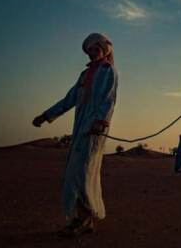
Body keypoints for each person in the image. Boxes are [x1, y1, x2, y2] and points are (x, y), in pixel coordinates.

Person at [32, 33, 118, 238]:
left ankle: (83, 220)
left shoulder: (108, 71)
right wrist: (46, 115)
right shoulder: (84, 75)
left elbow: (109, 99)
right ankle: (83, 220)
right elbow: (69, 99)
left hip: (95, 130)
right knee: (75, 175)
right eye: (88, 51)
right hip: (80, 129)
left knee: (82, 175)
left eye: (95, 50)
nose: (91, 54)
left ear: (103, 49)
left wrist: (100, 121)